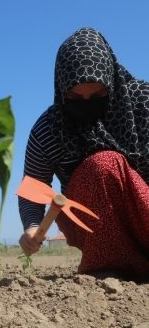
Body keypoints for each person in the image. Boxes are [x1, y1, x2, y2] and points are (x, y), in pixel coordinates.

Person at [18, 27, 149, 280]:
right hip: (92, 223)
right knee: (103, 165)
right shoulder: (50, 129)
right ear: (61, 89)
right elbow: (32, 188)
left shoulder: (142, 104)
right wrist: (33, 227)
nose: (87, 104)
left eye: (99, 95)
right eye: (75, 97)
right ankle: (111, 267)